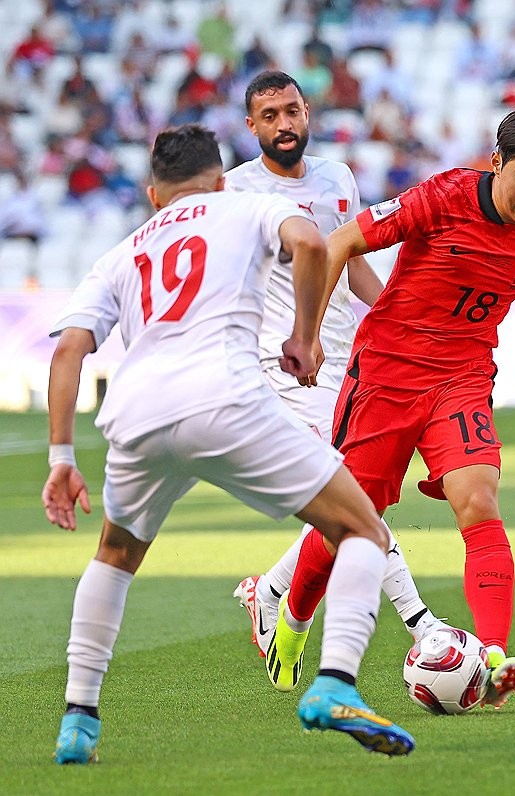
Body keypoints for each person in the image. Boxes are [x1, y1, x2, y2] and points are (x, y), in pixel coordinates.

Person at [42, 125, 414, 763]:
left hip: (137, 416)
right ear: (219, 179)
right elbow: (309, 244)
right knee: (362, 530)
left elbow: (71, 349)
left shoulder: (123, 251)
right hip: (227, 397)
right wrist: (304, 336)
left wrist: (61, 459)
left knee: (113, 555)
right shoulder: (248, 203)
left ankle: (79, 722)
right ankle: (335, 685)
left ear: (154, 194)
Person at [262, 101, 515, 709]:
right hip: (386, 373)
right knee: (350, 518)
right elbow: (338, 244)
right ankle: (292, 617)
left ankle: (493, 659)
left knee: (479, 500)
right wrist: (305, 335)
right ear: (498, 163)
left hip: (461, 379)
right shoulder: (442, 197)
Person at [224, 70, 447, 692]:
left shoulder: (338, 178)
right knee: (355, 491)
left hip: (356, 361)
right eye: (269, 116)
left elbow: (352, 267)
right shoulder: (235, 191)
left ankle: (269, 592)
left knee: (349, 496)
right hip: (287, 365)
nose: (284, 124)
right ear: (252, 127)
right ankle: (423, 625)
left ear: (307, 112)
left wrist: (393, 323)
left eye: (292, 110)